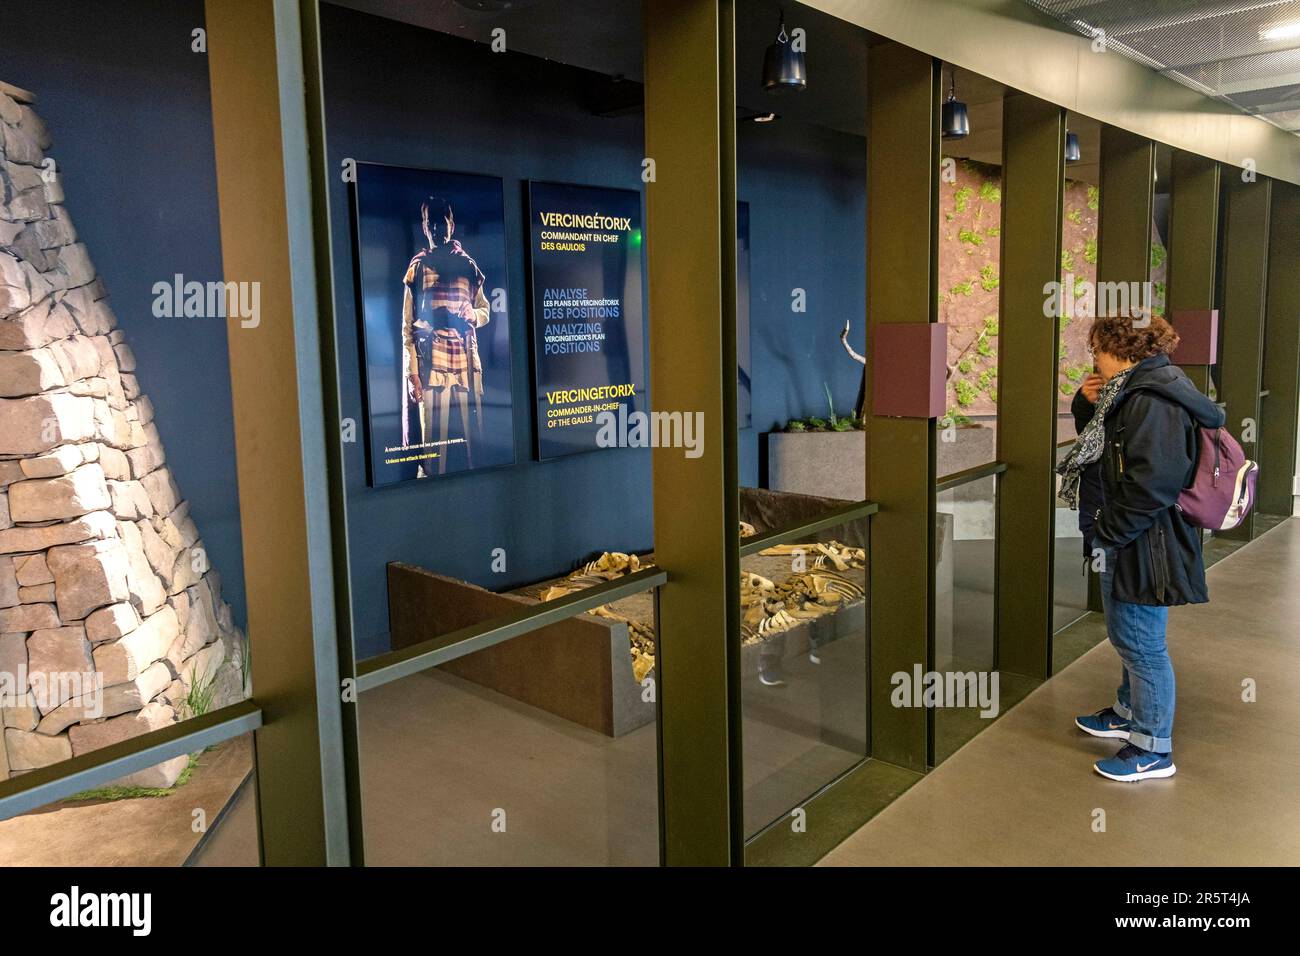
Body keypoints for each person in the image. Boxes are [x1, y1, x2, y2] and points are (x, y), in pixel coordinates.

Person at [1056, 313, 1225, 782]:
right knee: (1128, 635)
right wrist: (1084, 402)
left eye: (1097, 349)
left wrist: (1108, 531)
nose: (1093, 359)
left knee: (1140, 642)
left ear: (1122, 349)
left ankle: (1152, 747)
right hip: (1129, 536)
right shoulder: (1130, 391)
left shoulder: (1152, 400)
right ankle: (1128, 712)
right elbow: (1104, 444)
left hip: (1140, 540)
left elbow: (1154, 481)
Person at [401, 195, 491, 476]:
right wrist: (412, 373)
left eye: (442, 222)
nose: (437, 229)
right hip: (432, 366)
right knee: (432, 450)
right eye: (431, 223)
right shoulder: (418, 267)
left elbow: (484, 310)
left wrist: (473, 315)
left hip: (464, 363)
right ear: (424, 227)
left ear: (451, 224)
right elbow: (407, 327)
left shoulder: (468, 266)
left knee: (472, 445)